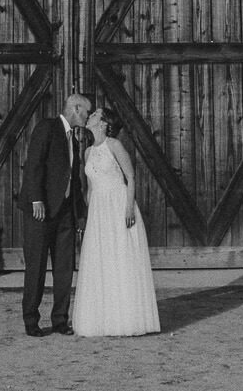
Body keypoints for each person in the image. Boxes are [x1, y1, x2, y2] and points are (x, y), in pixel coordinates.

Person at [69, 105, 161, 337]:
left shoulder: (114, 145)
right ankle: (102, 319)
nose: (89, 116)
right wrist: (89, 219)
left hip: (118, 205)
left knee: (120, 257)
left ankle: (127, 318)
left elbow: (130, 177)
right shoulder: (88, 152)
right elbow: (89, 188)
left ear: (104, 123)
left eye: (95, 114)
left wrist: (129, 207)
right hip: (99, 211)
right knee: (102, 260)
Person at [20, 91, 92, 337]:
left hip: (65, 215)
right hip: (41, 212)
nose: (88, 117)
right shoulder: (47, 128)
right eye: (87, 112)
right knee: (36, 268)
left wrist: (80, 214)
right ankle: (31, 321)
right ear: (76, 108)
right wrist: (36, 199)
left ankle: (60, 320)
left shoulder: (74, 139)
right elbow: (34, 164)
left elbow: (74, 180)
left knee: (64, 269)